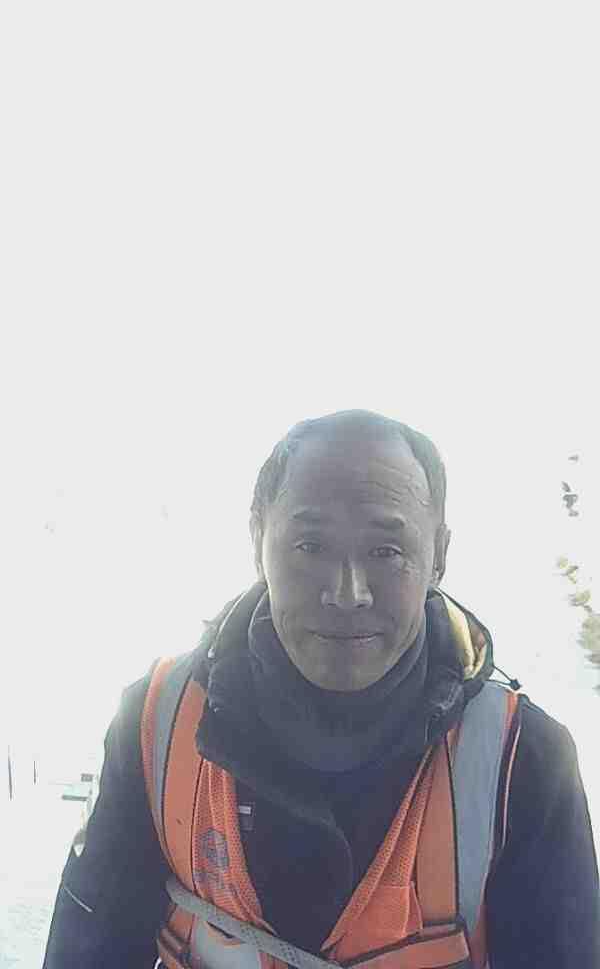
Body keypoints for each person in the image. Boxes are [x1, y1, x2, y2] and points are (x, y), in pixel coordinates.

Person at [43, 410, 600, 968]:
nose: (347, 592)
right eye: (310, 546)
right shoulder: (157, 725)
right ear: (258, 540)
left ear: (439, 555)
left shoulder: (520, 759)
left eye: (386, 551)